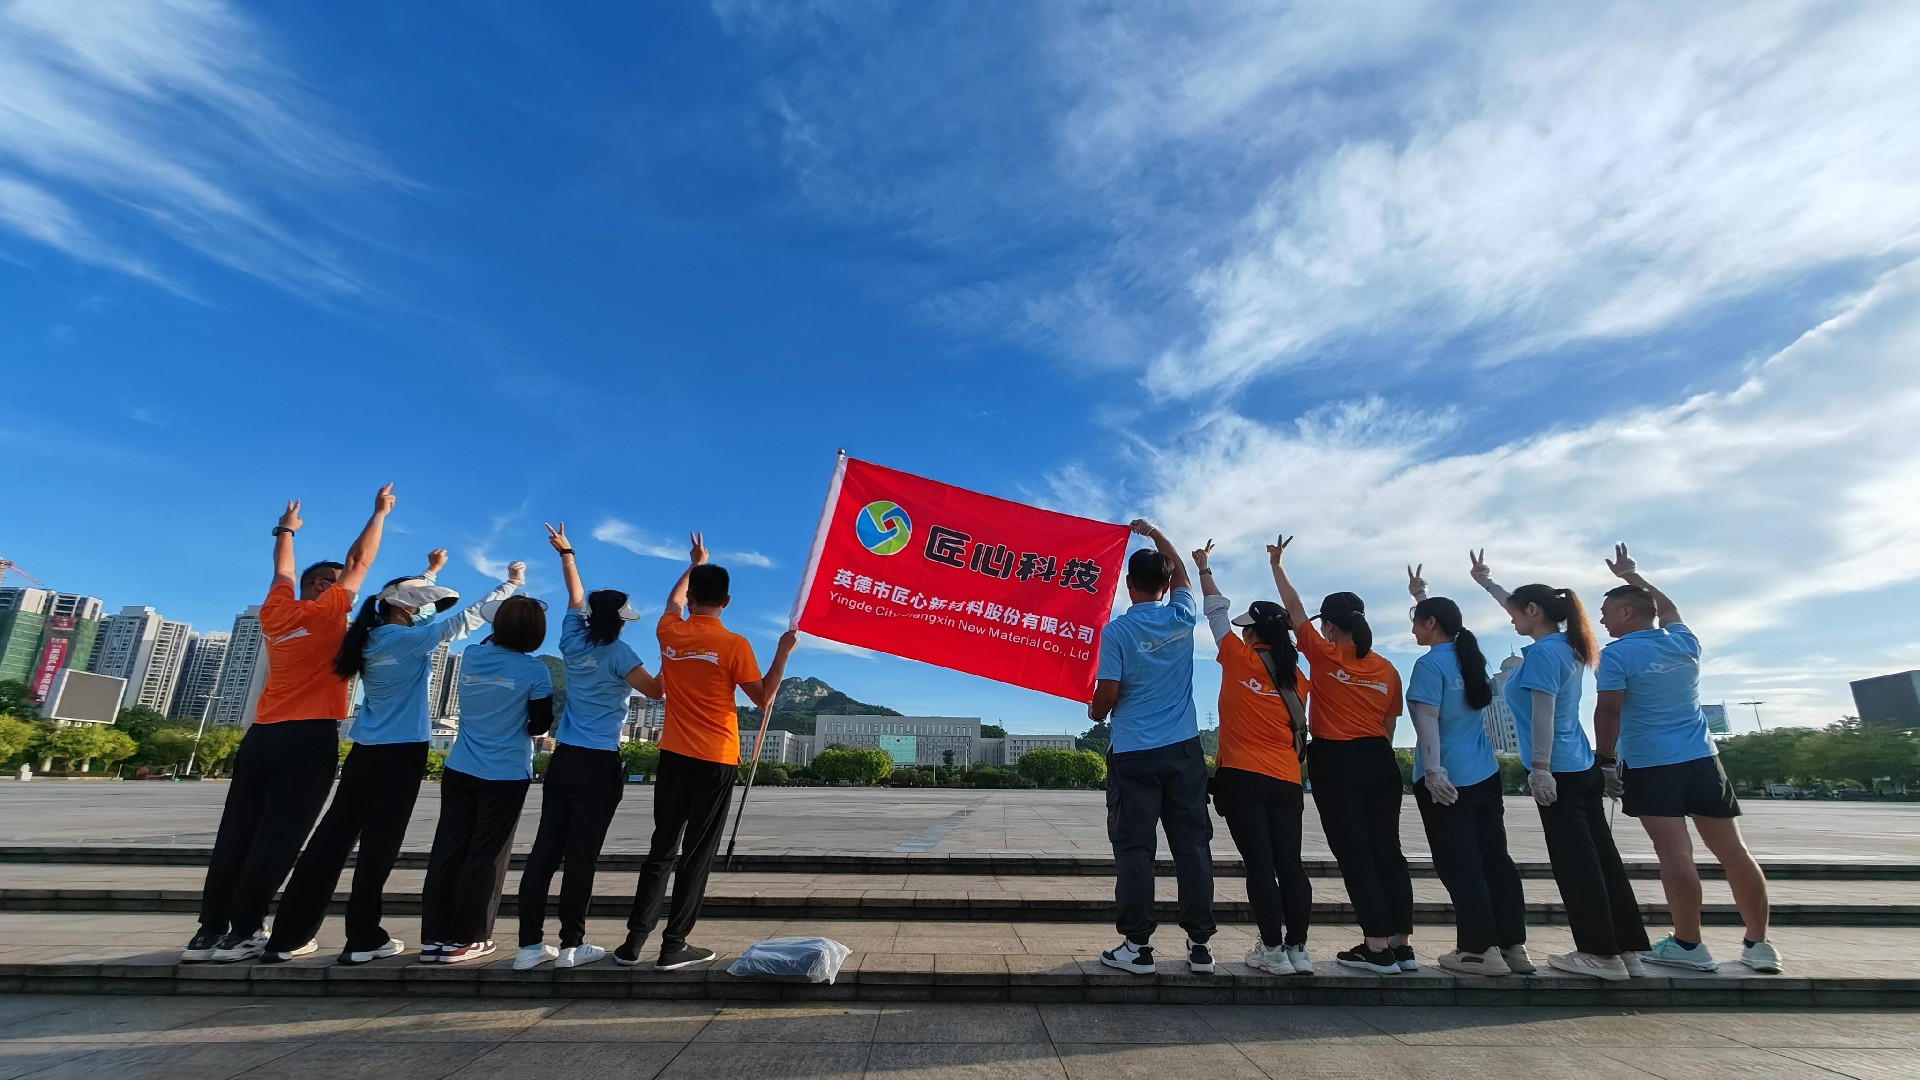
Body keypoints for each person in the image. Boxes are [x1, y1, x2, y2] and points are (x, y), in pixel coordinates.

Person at [261, 554, 524, 965]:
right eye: (418, 604)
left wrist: (430, 572)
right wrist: (511, 584)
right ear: (403, 607)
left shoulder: (367, 638)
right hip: (401, 755)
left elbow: (416, 607)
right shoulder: (408, 640)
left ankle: (287, 936)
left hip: (364, 752)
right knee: (378, 849)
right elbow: (468, 619)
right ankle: (363, 937)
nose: (424, 611)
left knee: (329, 842)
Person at [186, 485, 394, 963]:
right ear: (322, 586)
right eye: (338, 585)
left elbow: (282, 570)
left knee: (236, 833)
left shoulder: (275, 610)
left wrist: (286, 530)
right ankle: (243, 931)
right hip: (307, 737)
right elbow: (359, 559)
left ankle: (209, 931)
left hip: (261, 735)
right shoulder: (326, 614)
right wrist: (380, 513)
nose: (348, 593)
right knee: (279, 837)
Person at [1596, 543, 1780, 974]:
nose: (1602, 620)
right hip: (1702, 760)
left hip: (1651, 764)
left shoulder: (1617, 655)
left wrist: (1604, 761)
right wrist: (1632, 576)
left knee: (1675, 854)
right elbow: (1669, 608)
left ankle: (1689, 944)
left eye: (1606, 612)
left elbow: (1609, 711)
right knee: (1734, 852)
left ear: (1626, 613)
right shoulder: (1684, 642)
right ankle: (1759, 945)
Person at [616, 533, 796, 970]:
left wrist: (695, 563)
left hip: (674, 755)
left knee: (662, 847)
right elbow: (763, 697)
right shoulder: (734, 645)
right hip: (716, 758)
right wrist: (783, 652)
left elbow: (672, 600)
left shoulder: (669, 632)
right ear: (727, 602)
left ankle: (633, 943)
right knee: (696, 853)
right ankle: (674, 944)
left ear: (693, 598)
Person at [1470, 550, 1649, 981]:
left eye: (1516, 613)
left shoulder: (1542, 656)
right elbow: (1515, 604)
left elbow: (1543, 713)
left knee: (1576, 865)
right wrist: (1487, 582)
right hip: (1581, 766)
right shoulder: (1567, 646)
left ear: (1534, 611)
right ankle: (1626, 951)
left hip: (1560, 772)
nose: (1511, 619)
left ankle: (1600, 954)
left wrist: (1539, 769)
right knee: (1602, 858)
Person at [514, 523, 663, 971]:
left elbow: (575, 597)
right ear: (620, 620)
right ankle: (572, 945)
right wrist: (674, 652)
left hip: (563, 759)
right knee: (581, 856)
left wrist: (568, 554)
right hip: (598, 763)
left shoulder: (571, 640)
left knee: (545, 851)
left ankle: (528, 946)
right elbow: (656, 691)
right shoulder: (620, 654)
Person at [1268, 533, 1412, 975]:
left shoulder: (1324, 654)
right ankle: (1402, 946)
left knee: (1355, 852)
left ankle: (1376, 948)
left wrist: (1277, 566)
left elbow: (1293, 608)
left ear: (1328, 626)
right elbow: (1389, 725)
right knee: (1388, 849)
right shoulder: (1386, 668)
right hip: (1380, 761)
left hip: (1337, 761)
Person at [1088, 520, 1216, 976]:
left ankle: (1137, 946)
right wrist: (1157, 535)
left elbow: (1107, 693)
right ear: (1166, 585)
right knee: (1192, 848)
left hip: (1134, 755)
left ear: (1128, 585)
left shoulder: (1117, 632)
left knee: (1135, 850)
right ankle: (1199, 945)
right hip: (1183, 751)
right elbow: (1182, 573)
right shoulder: (1182, 617)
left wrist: (1094, 712)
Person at [1193, 539, 1311, 976]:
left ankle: (1272, 950)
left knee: (1260, 864)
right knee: (1290, 864)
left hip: (1243, 778)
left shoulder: (1238, 657)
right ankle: (1298, 950)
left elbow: (1215, 611)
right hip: (1287, 780)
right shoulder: (1297, 678)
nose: (1241, 632)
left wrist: (1204, 569)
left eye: (1247, 628)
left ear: (1254, 633)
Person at [1405, 567, 1530, 977]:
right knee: (1495, 859)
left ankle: (1478, 950)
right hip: (1484, 773)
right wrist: (1421, 594)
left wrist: (1434, 770)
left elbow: (1427, 719)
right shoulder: (1470, 659)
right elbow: (1444, 619)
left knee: (1460, 863)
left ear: (1431, 624)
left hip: (1447, 779)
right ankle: (1512, 946)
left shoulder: (1429, 665)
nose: (1412, 629)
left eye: (1416, 621)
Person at [419, 594, 554, 965]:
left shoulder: (471, 657)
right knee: (487, 855)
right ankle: (468, 938)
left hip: (460, 767)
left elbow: (485, 640)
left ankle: (434, 938)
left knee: (448, 850)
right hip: (505, 773)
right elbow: (540, 725)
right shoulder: (535, 671)